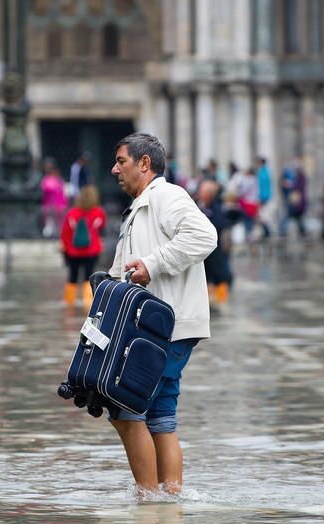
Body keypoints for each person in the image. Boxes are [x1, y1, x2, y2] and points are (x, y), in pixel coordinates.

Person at [107, 132, 217, 495]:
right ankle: (171, 501)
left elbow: (204, 236)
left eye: (121, 161)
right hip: (156, 330)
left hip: (164, 329)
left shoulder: (167, 196)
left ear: (144, 163)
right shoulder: (141, 207)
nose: (114, 169)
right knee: (160, 417)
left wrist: (153, 265)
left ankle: (149, 501)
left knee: (126, 408)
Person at [60, 184, 106, 306]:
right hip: (92, 251)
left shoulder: (72, 213)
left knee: (72, 276)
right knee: (89, 276)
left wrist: (64, 247)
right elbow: (100, 228)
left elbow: (65, 232)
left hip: (73, 251)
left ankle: (69, 304)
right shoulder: (99, 212)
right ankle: (88, 303)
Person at [278, 159, 307, 238]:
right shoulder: (297, 177)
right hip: (295, 201)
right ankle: (302, 232)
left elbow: (298, 187)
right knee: (297, 218)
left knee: (290, 216)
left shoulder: (300, 177)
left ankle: (282, 231)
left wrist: (290, 185)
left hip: (296, 201)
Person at [40, 159, 67, 238]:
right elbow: (45, 188)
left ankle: (58, 234)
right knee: (49, 221)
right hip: (48, 204)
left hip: (60, 204)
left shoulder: (59, 180)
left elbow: (63, 191)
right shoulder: (46, 179)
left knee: (59, 222)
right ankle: (49, 234)